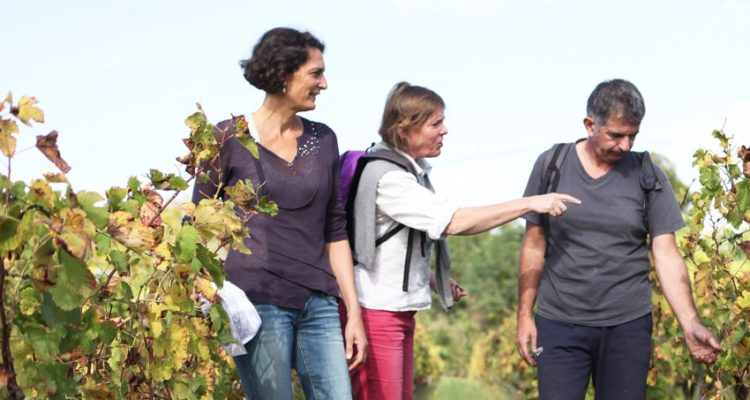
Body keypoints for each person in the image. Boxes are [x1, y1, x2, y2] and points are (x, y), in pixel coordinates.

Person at [344, 82, 579, 400]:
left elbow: (386, 245)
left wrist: (430, 279)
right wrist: (529, 203)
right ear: (404, 128)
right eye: (435, 123)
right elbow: (453, 222)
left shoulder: (408, 172)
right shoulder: (390, 178)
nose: (445, 130)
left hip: (393, 311)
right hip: (376, 313)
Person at [516, 79, 721, 399]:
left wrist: (690, 322)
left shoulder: (646, 174)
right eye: (616, 135)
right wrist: (524, 316)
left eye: (633, 135)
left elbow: (666, 255)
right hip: (559, 324)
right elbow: (533, 245)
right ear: (589, 125)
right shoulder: (551, 165)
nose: (625, 145)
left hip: (627, 326)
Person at [192, 27, 366, 400]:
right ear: (284, 73)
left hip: (318, 302)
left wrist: (353, 312)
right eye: (315, 73)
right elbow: (197, 224)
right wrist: (206, 292)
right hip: (258, 303)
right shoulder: (227, 139)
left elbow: (335, 230)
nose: (325, 83)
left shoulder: (323, 140)